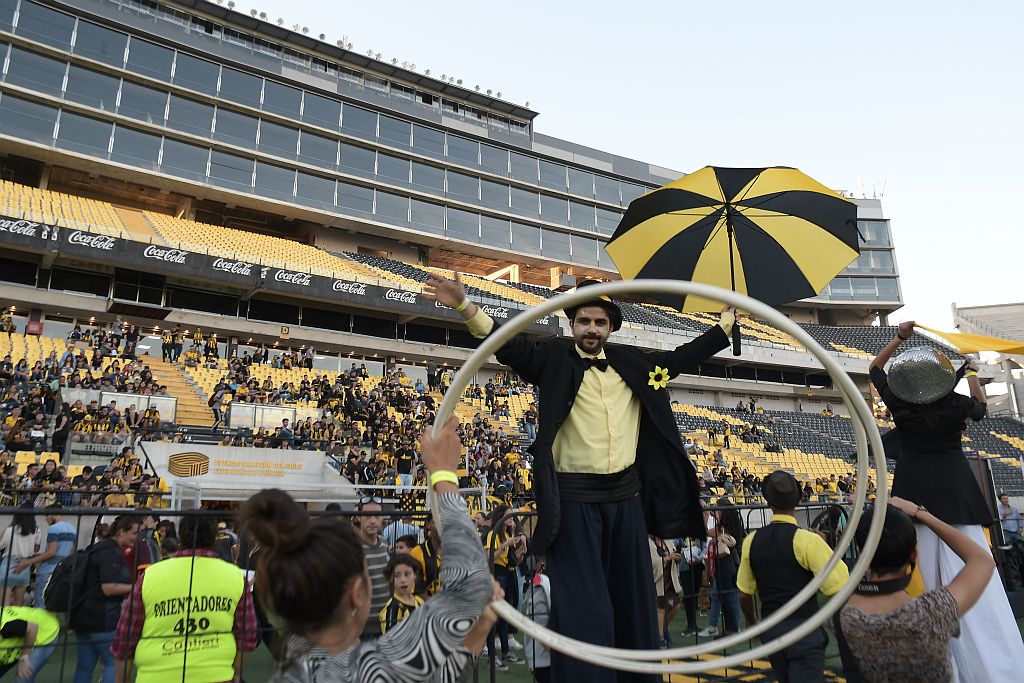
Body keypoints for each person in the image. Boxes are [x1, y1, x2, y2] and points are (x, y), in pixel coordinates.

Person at [425, 273, 732, 683]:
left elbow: (679, 359)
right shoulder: (552, 360)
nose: (591, 329)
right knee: (584, 606)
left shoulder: (634, 364)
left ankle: (639, 677)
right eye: (584, 321)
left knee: (634, 600)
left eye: (600, 322)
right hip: (574, 499)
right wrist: (465, 306)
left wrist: (724, 328)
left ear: (611, 327)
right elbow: (507, 346)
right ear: (572, 323)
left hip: (626, 499)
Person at [240, 417, 499, 682]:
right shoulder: (364, 668)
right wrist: (444, 475)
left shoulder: (292, 671)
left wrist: (477, 632)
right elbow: (472, 588)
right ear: (355, 594)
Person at [870, 321, 1024, 679]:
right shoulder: (955, 405)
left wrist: (901, 337)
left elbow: (875, 369)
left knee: (924, 582)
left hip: (912, 495)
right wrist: (970, 372)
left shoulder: (899, 405)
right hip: (958, 496)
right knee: (975, 576)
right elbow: (982, 408)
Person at [839, 497, 994, 683]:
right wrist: (920, 513)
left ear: (860, 550)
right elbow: (982, 561)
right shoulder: (932, 611)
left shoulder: (844, 615)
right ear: (914, 554)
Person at [110, 514, 258, 683]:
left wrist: (122, 679)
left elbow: (125, 636)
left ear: (181, 538)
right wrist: (237, 673)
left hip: (156, 676)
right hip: (216, 675)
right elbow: (248, 634)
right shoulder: (235, 577)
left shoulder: (150, 576)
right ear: (213, 538)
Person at [737, 471, 849, 683]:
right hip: (804, 629)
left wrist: (752, 622)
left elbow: (744, 594)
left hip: (771, 629)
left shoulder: (751, 541)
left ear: (768, 502)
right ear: (798, 501)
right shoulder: (808, 541)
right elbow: (839, 587)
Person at [71, 516, 138, 683]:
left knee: (84, 667)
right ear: (121, 531)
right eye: (134, 533)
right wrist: (137, 588)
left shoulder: (99, 548)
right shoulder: (111, 552)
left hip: (84, 616)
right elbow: (108, 588)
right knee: (112, 664)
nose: (136, 537)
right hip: (103, 617)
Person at [485, 505, 527, 669]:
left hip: (509, 575)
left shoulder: (510, 533)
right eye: (509, 516)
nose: (512, 519)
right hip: (498, 574)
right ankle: (492, 656)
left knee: (505, 616)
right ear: (501, 516)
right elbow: (489, 557)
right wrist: (505, 545)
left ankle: (505, 652)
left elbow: (514, 561)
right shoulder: (492, 534)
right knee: (495, 617)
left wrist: (521, 550)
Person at [14, 504, 76, 609]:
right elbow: (72, 552)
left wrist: (28, 562)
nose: (45, 519)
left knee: (40, 604)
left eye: (46, 515)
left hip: (47, 571)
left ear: (52, 515)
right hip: (63, 571)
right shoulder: (72, 529)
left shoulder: (54, 528)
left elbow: (51, 552)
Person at [699, 497, 744, 638]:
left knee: (729, 597)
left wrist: (706, 514)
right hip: (730, 564)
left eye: (717, 509)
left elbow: (705, 531)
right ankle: (729, 627)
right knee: (723, 596)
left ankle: (733, 629)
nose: (715, 511)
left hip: (726, 564)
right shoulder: (732, 525)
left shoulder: (722, 529)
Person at [353, 495, 390, 639]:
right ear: (359, 518)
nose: (373, 520)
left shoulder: (384, 543)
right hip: (361, 631)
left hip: (386, 626)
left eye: (377, 515)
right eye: (367, 516)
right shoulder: (353, 547)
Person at [0, 606, 60, 682]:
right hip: (18, 642)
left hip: (45, 631)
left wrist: (24, 658)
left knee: (22, 678)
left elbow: (32, 628)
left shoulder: (7, 626)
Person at [0, 506, 42, 606]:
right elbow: (36, 549)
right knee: (18, 605)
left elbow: (1, 546)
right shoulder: (37, 531)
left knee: (3, 606)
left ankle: (4, 621)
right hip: (25, 567)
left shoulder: (10, 530)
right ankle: (16, 622)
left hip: (8, 565)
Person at [649, 535, 681, 649]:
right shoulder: (649, 543)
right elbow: (651, 563)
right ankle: (661, 638)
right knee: (661, 608)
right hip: (658, 582)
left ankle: (661, 629)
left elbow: (674, 554)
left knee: (676, 605)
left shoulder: (668, 541)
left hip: (670, 580)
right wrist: (667, 558)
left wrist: (677, 558)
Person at [378, 555, 424, 635]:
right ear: (391, 579)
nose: (403, 580)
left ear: (415, 575)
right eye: (397, 576)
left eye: (407, 574)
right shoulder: (393, 608)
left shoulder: (419, 601)